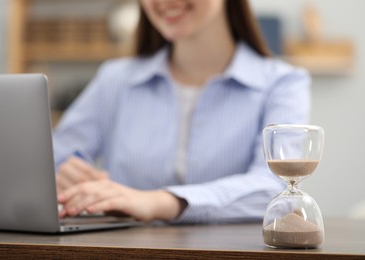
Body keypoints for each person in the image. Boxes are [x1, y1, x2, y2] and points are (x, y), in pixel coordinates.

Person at [53, 0, 310, 224]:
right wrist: (63, 175)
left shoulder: (283, 84)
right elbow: (53, 160)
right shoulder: (115, 79)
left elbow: (277, 187)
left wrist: (160, 202)